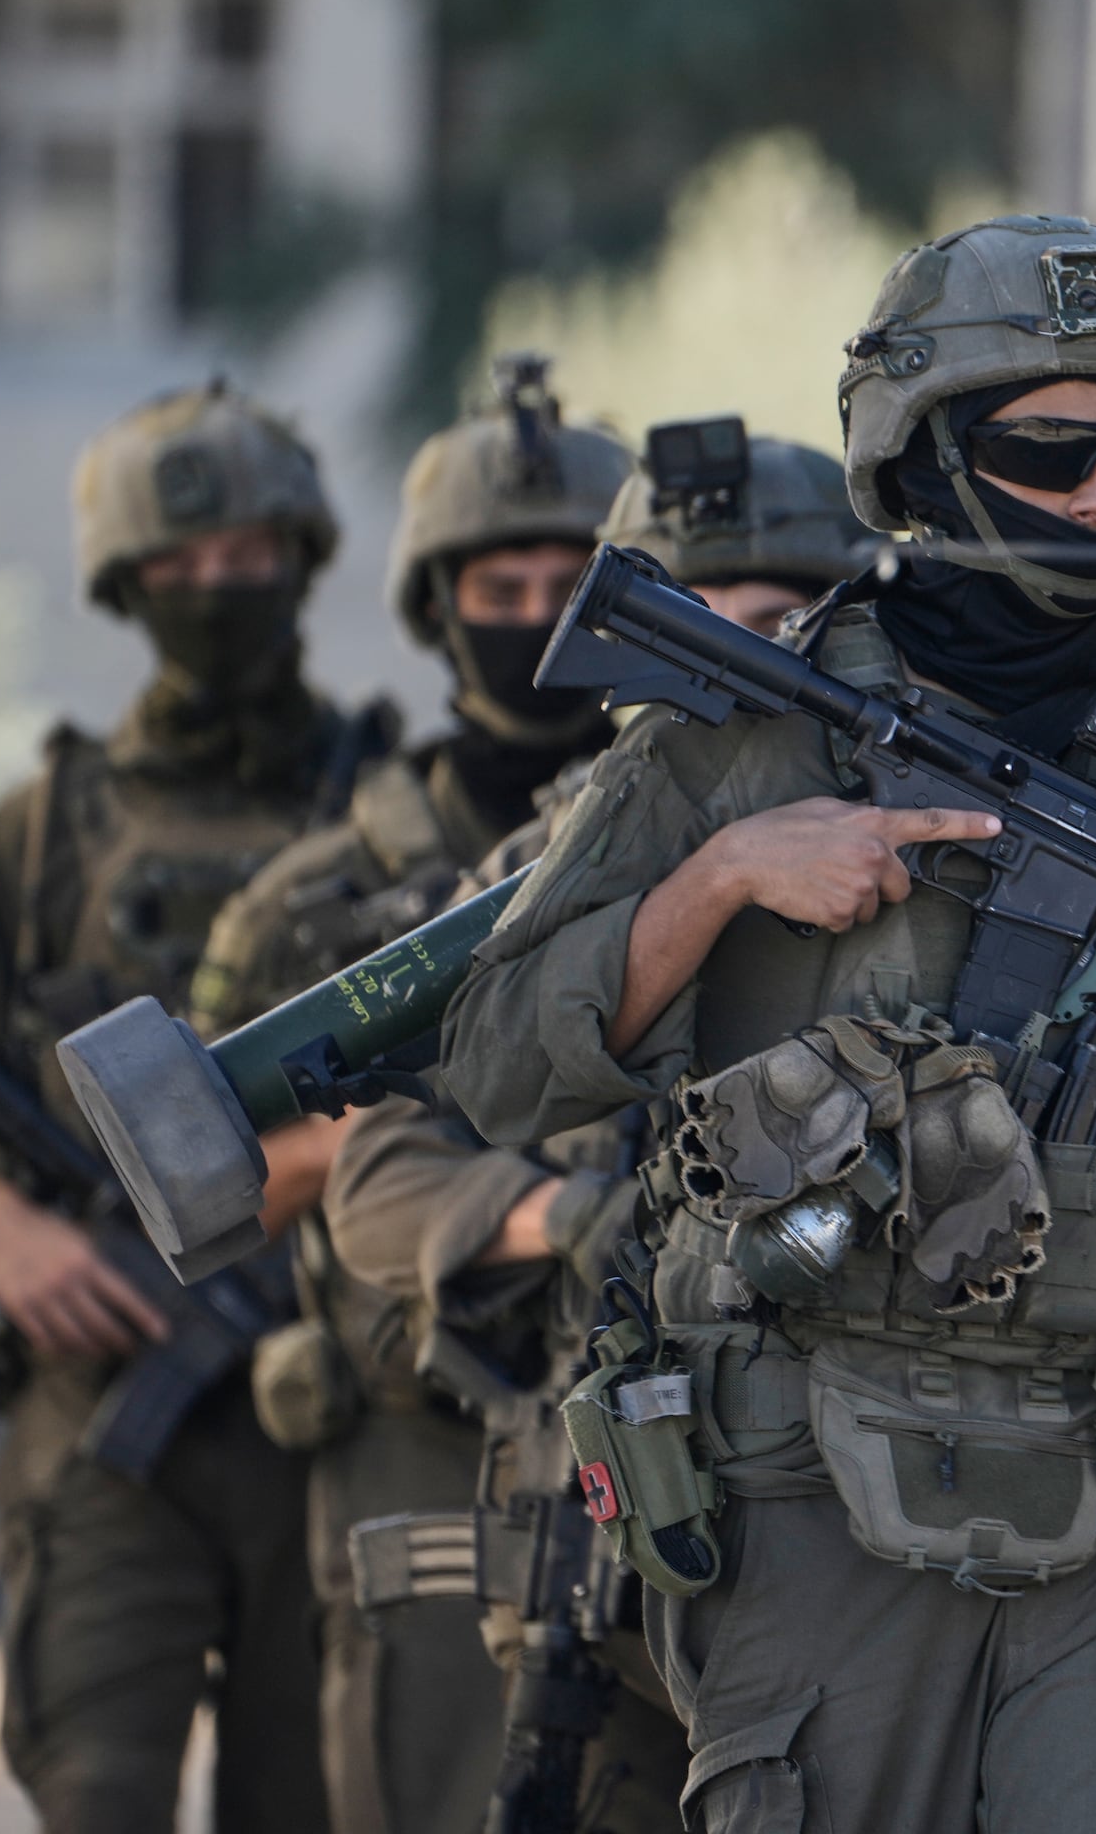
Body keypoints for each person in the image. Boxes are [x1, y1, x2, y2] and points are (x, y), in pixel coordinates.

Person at [435, 214, 1096, 1831]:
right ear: (925, 460)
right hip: (815, 1480)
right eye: (1046, 454)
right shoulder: (732, 745)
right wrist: (722, 882)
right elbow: (493, 1065)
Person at [316, 427, 874, 1834]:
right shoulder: (536, 882)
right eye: (714, 625)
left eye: (793, 621)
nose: (757, 662)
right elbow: (377, 1177)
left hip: (859, 1525)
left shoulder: (911, 861)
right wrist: (565, 1220)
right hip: (607, 1524)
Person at [0, 377, 382, 1834]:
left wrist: (292, 1167)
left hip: (327, 1407)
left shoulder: (389, 819)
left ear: (300, 560)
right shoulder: (47, 828)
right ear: (128, 585)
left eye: (248, 559)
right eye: (182, 569)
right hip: (104, 1408)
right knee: (95, 1792)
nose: (218, 590)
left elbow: (468, 1096)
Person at [186, 360, 633, 1834]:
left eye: (573, 580)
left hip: (652, 1409)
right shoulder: (322, 903)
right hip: (418, 1405)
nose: (536, 615)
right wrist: (416, 1145)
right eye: (498, 583)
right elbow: (202, 1168)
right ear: (436, 606)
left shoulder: (712, 838)